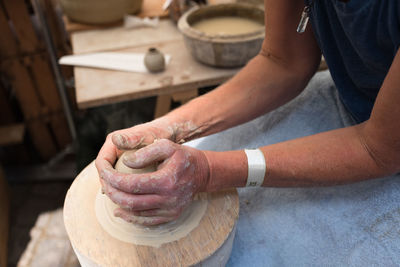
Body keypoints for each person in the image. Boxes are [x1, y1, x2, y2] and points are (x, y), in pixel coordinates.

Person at [96, 0, 400, 265]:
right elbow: (283, 62)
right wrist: (166, 127)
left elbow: (380, 149)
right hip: (354, 100)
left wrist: (209, 172)